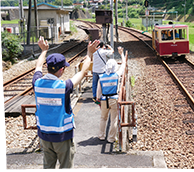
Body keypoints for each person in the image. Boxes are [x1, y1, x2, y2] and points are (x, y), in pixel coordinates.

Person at [32, 36, 100, 172]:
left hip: (44, 135)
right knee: (65, 168)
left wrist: (44, 50)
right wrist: (89, 54)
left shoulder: (37, 83)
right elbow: (83, 71)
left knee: (48, 166)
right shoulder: (64, 86)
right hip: (62, 135)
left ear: (47, 67)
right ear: (62, 69)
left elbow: (38, 66)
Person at [96, 46, 126, 143]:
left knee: (103, 118)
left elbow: (98, 90)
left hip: (104, 99)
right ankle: (111, 138)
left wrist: (98, 98)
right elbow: (123, 65)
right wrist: (121, 55)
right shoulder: (116, 75)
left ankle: (101, 135)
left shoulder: (101, 77)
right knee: (114, 119)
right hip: (114, 99)